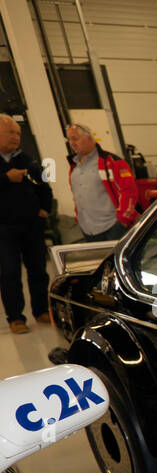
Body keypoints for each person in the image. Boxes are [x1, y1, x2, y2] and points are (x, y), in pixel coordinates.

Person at [0, 114, 52, 335]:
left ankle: (41, 310)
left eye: (18, 133)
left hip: (31, 226)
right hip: (3, 228)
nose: (16, 137)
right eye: (11, 132)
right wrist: (5, 178)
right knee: (9, 273)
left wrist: (44, 210)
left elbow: (44, 187)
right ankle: (16, 318)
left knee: (39, 270)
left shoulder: (27, 159)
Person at [66, 123, 139, 242]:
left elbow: (129, 191)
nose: (72, 143)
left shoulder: (112, 162)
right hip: (88, 231)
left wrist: (123, 221)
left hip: (113, 229)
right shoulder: (74, 167)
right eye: (69, 139)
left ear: (89, 138)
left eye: (75, 138)